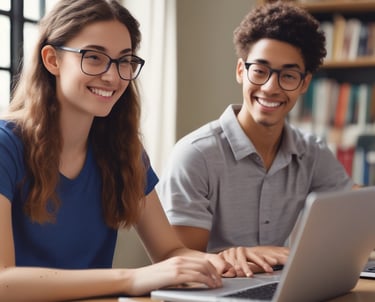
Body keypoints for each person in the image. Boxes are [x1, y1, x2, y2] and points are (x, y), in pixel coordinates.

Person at [0, 0, 236, 301]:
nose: (113, 76)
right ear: (52, 60)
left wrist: (218, 262)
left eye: (124, 61)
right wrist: (131, 278)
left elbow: (169, 251)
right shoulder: (5, 146)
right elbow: (2, 282)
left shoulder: (123, 150)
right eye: (95, 57)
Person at [158, 1, 356, 279]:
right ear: (241, 70)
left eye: (288, 75)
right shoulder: (195, 155)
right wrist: (237, 255)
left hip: (278, 286)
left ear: (304, 83)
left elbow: (352, 216)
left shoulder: (312, 153)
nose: (270, 88)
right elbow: (178, 263)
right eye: (260, 71)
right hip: (213, 291)